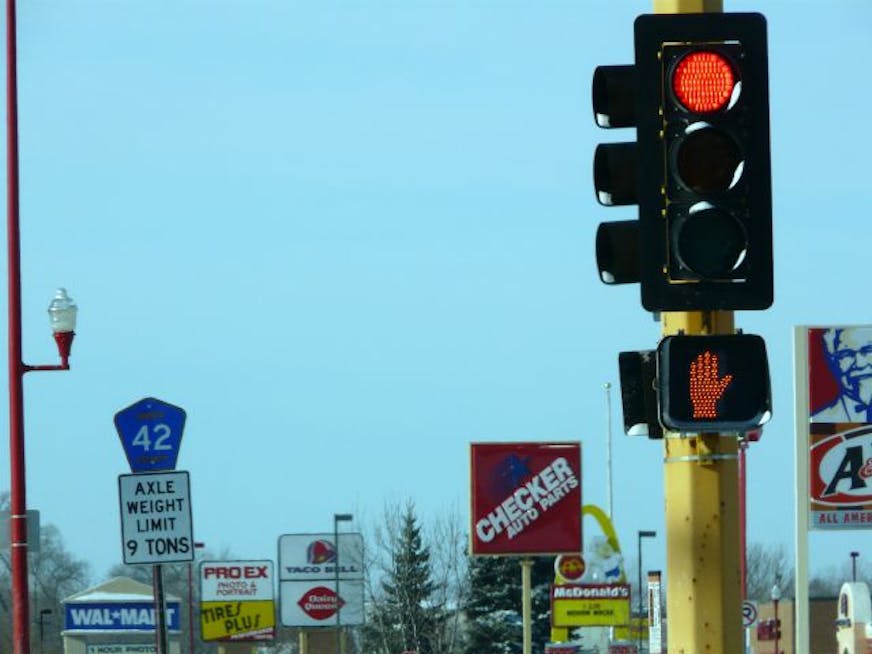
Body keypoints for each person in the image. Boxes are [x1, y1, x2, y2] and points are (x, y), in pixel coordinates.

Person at [812, 326, 872, 422]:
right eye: (846, 354)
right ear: (832, 361)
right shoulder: (818, 420)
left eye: (869, 350)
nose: (860, 363)